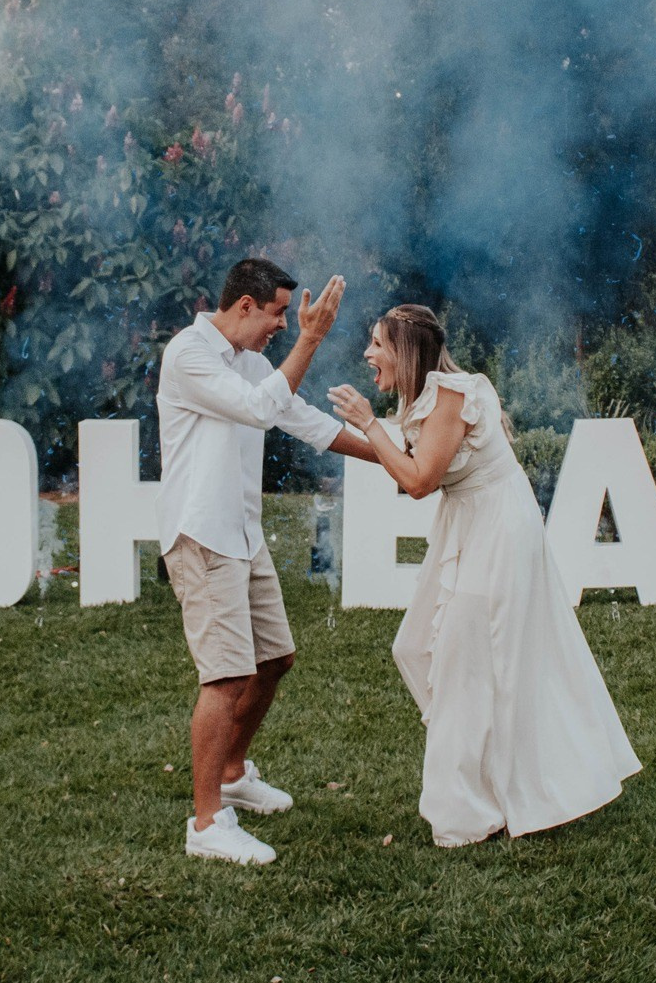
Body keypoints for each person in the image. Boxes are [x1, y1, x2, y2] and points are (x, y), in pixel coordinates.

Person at [328, 305, 640, 847]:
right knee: (415, 647)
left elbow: (419, 480)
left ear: (404, 351)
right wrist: (307, 427)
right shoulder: (419, 402)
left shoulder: (453, 392)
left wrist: (368, 423)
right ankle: (483, 764)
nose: (367, 354)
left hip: (498, 528)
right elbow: (390, 457)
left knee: (463, 663)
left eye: (376, 344)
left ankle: (469, 813)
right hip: (465, 525)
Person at [158, 258, 379, 865]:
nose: (284, 323)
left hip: (244, 537)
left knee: (275, 659)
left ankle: (231, 774)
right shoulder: (189, 354)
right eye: (279, 312)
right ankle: (207, 824)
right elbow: (258, 410)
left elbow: (305, 423)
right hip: (201, 536)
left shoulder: (252, 364)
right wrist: (312, 339)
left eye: (290, 315)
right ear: (246, 306)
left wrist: (392, 457)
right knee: (225, 677)